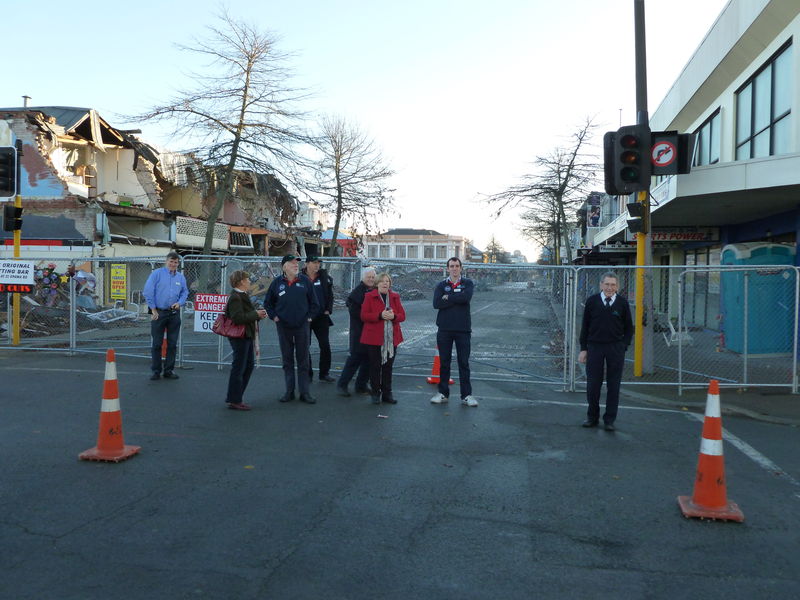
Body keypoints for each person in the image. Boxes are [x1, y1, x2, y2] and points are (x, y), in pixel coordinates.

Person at [578, 271, 633, 431]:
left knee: (613, 385)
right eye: (607, 284)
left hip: (615, 348)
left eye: (613, 285)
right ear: (601, 285)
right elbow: (585, 327)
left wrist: (623, 345)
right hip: (594, 347)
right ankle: (592, 417)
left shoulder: (622, 303)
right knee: (593, 385)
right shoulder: (592, 302)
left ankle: (609, 420)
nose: (610, 288)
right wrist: (583, 349)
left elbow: (629, 328)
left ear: (617, 287)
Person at [265, 255, 319, 404]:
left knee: (303, 360)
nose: (296, 265)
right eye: (292, 263)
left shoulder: (305, 281)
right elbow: (268, 303)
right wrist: (274, 317)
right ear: (284, 267)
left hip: (302, 326)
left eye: (297, 263)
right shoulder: (277, 283)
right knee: (287, 360)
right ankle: (289, 391)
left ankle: (305, 392)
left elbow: (315, 303)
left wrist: (309, 317)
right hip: (283, 327)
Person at [430, 257, 478, 407]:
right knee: (444, 363)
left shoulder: (467, 283)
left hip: (463, 329)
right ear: (448, 268)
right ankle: (443, 393)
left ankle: (466, 395)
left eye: (457, 266)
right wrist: (455, 298)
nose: (454, 268)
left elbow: (466, 298)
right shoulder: (441, 285)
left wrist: (448, 298)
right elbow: (436, 303)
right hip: (444, 329)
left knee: (463, 363)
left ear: (461, 268)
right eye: (452, 266)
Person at [224, 270, 268, 411]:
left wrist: (256, 315)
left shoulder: (241, 295)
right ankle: (235, 399)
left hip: (246, 336)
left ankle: (236, 397)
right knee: (240, 367)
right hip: (240, 337)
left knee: (247, 366)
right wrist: (255, 314)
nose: (250, 281)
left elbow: (244, 315)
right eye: (248, 279)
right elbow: (237, 318)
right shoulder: (236, 297)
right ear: (241, 281)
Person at [360, 272, 405, 405]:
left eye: (388, 281)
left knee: (388, 367)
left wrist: (394, 316)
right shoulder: (369, 296)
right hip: (374, 338)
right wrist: (380, 315)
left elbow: (402, 315)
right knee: (375, 366)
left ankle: (387, 393)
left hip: (391, 339)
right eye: (383, 281)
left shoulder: (395, 297)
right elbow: (364, 316)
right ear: (377, 284)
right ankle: (375, 393)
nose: (385, 283)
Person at [143, 251, 189, 381]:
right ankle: (156, 371)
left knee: (172, 344)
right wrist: (153, 309)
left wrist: (180, 303)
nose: (173, 264)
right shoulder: (157, 274)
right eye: (171, 261)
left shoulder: (180, 277)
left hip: (174, 314)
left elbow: (185, 292)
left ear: (178, 263)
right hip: (159, 313)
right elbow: (148, 291)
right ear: (166, 261)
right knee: (157, 344)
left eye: (176, 262)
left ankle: (168, 370)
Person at [336, 267, 376, 397]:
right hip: (359, 331)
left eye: (372, 277)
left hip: (371, 332)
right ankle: (342, 384)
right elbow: (354, 312)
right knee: (354, 359)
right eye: (368, 277)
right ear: (363, 278)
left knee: (369, 360)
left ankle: (361, 385)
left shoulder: (376, 291)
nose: (370, 279)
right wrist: (371, 316)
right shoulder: (357, 292)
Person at [302, 256, 335, 383]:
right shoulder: (301, 278)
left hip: (321, 316)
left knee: (325, 345)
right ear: (307, 264)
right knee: (305, 346)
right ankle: (307, 374)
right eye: (314, 263)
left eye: (318, 263)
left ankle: (324, 373)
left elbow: (330, 295)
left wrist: (328, 310)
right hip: (306, 317)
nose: (317, 265)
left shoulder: (324, 277)